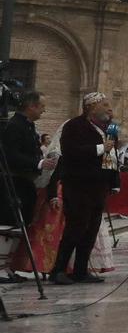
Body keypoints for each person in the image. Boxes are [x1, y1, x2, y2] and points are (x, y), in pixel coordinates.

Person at [52, 92, 116, 285]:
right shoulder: (74, 126)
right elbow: (70, 152)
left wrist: (114, 182)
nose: (109, 108)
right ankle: (59, 269)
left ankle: (81, 270)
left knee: (91, 230)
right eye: (104, 105)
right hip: (79, 185)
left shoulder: (107, 128)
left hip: (98, 187)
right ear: (90, 107)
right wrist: (99, 148)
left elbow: (111, 157)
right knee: (76, 228)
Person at [1, 89, 45, 280]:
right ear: (31, 106)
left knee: (20, 224)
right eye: (41, 106)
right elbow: (11, 155)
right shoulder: (15, 126)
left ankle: (8, 266)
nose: (44, 110)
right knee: (8, 224)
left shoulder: (27, 126)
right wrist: (38, 163)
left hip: (25, 183)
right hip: (13, 183)